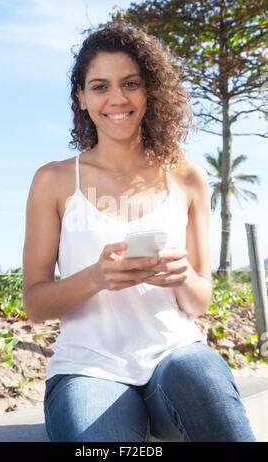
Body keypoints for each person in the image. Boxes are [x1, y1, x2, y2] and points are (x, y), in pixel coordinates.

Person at [22, 22, 256, 442]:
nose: (117, 98)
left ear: (149, 91)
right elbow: (36, 303)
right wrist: (96, 278)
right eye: (100, 86)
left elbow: (199, 301)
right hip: (88, 368)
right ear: (81, 96)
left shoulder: (187, 178)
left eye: (131, 83)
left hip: (176, 355)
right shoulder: (54, 180)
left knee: (217, 409)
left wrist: (184, 276)